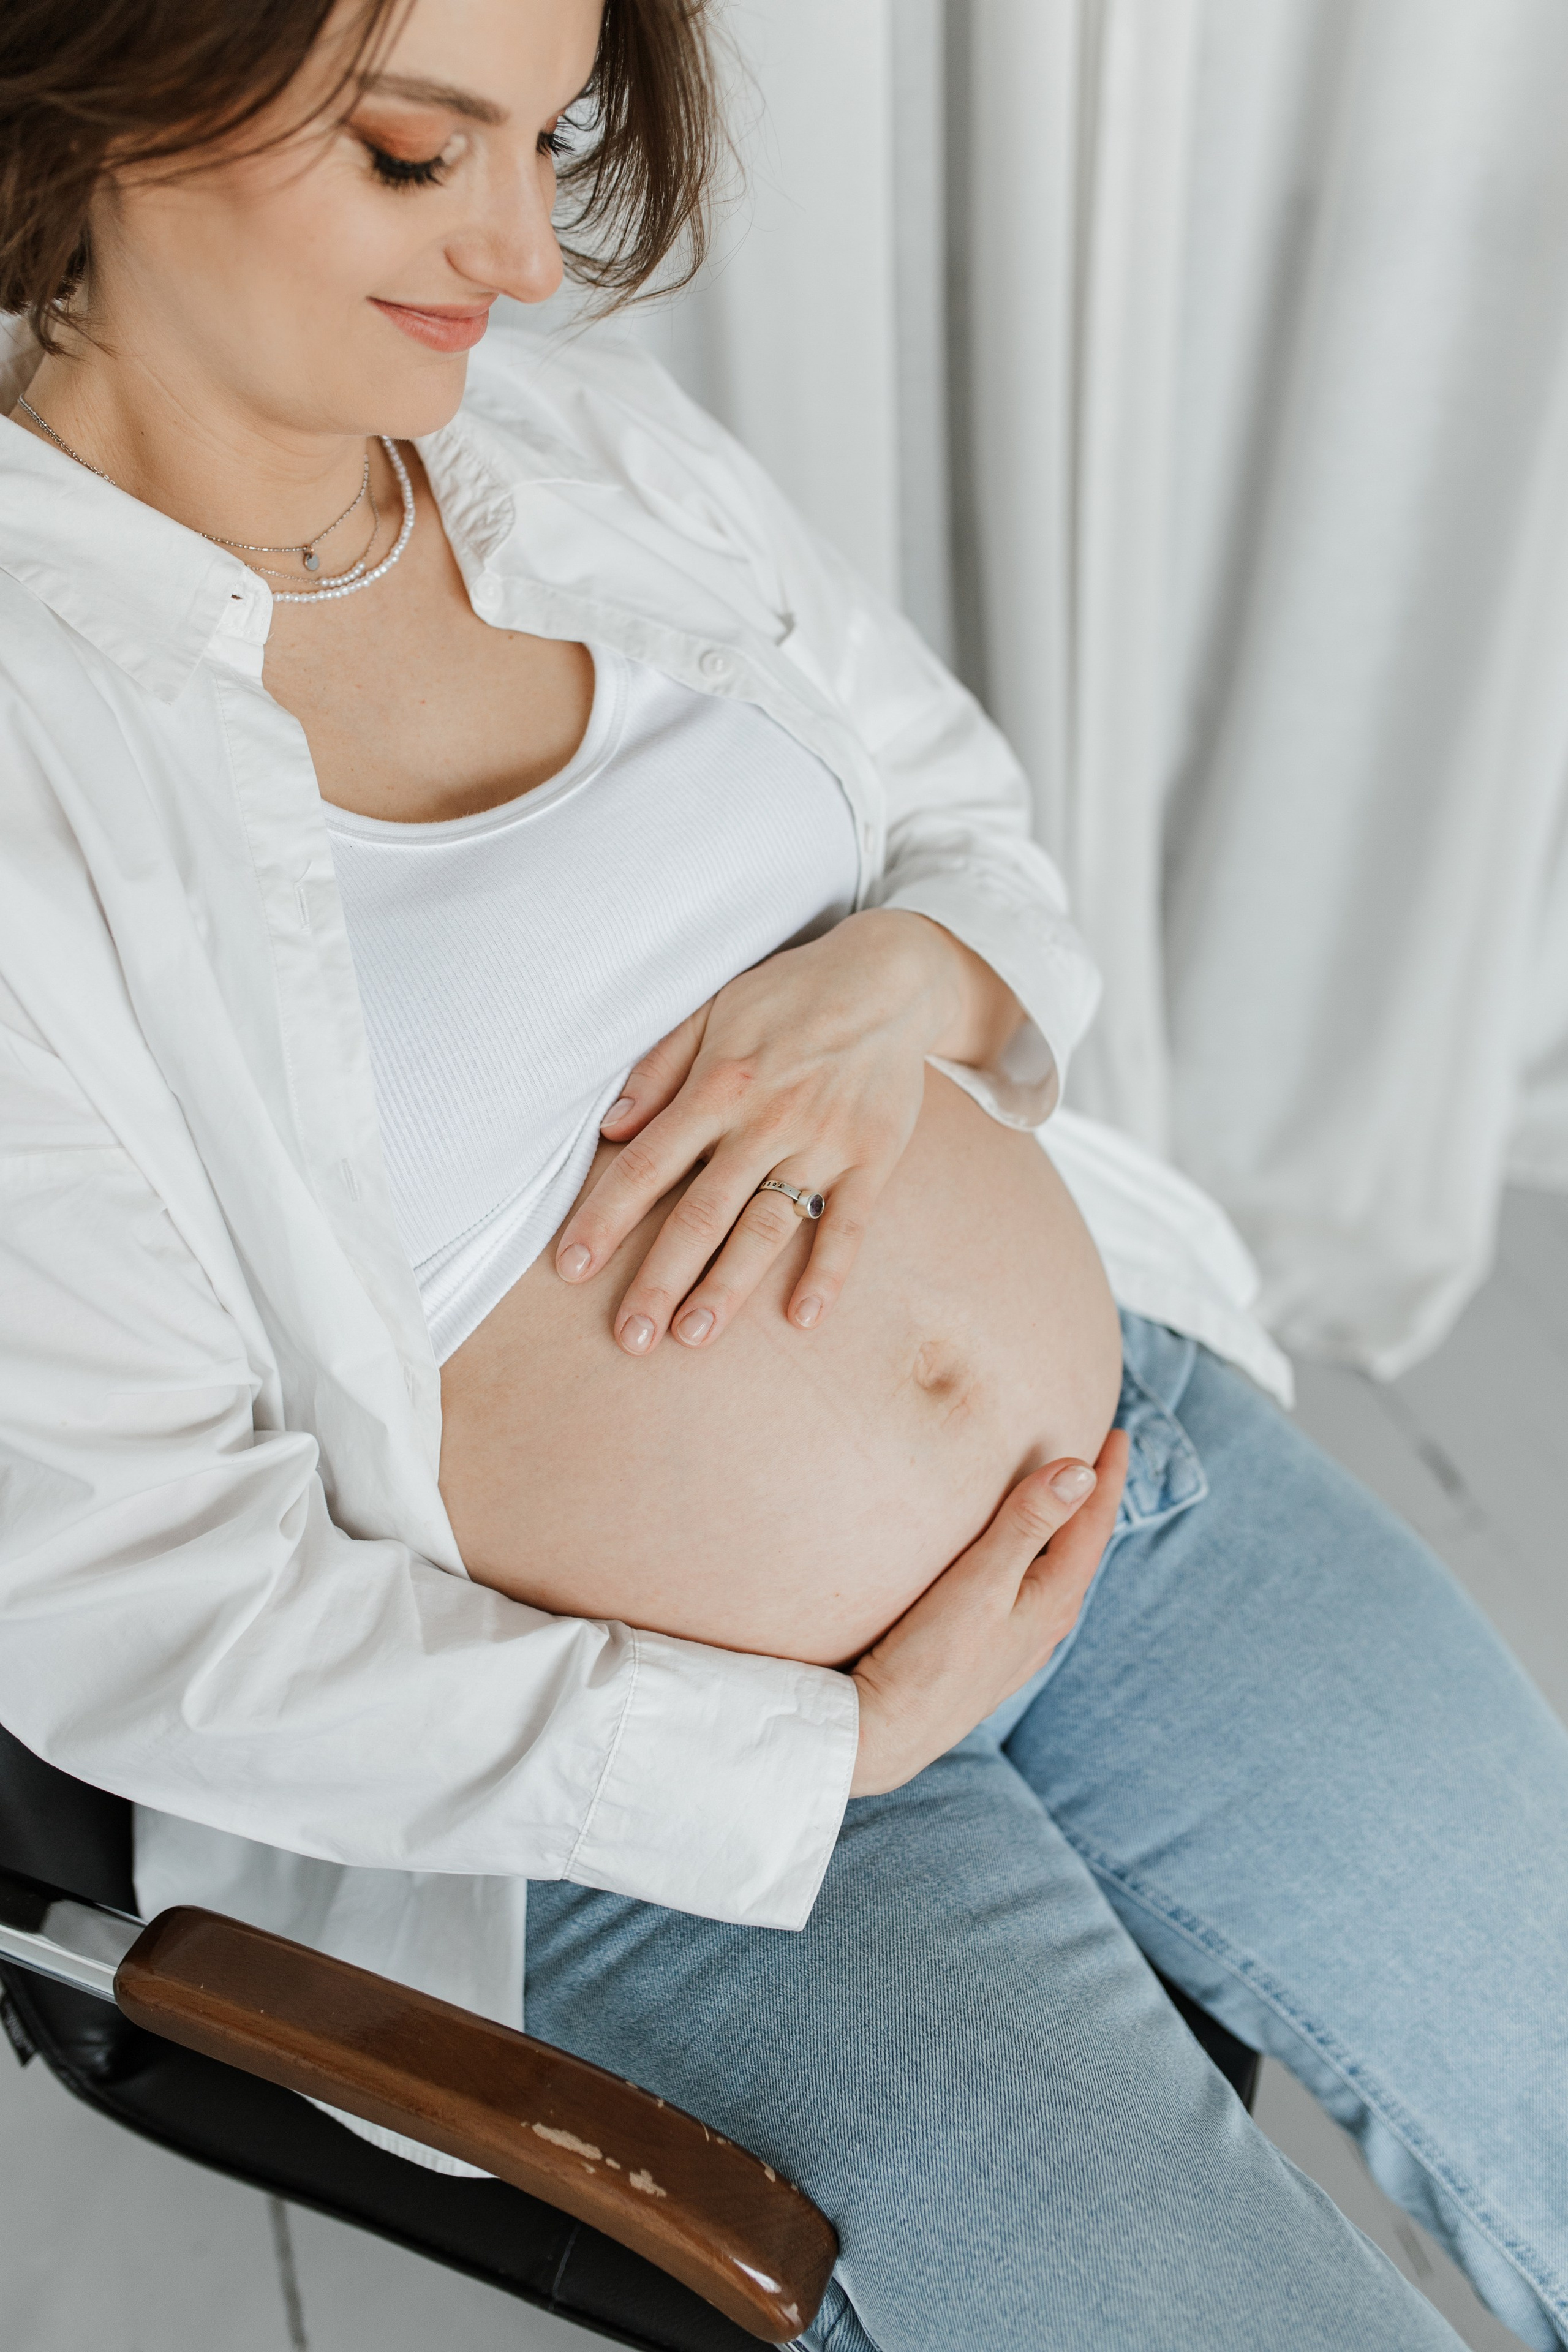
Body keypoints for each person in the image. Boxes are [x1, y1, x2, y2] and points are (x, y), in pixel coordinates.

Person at [1, 2, 1565, 2345]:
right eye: (426, 156)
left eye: (550, 144)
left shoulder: (580, 454)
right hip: (676, 1810)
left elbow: (969, 823)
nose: (525, 251)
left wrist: (907, 980)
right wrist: (808, 1746)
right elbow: (130, 1590)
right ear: (102, 106)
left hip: (1116, 1484)